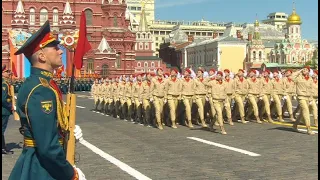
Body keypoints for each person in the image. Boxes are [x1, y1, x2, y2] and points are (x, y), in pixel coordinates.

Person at [9, 21, 86, 180]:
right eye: (55, 48)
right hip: (41, 167)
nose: (61, 52)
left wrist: (66, 132)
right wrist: (71, 174)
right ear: (42, 56)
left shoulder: (44, 84)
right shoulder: (41, 90)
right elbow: (47, 147)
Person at [2, 65, 14, 154]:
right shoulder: (4, 84)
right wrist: (10, 106)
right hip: (3, 110)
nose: (8, 73)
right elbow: (3, 99)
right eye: (6, 72)